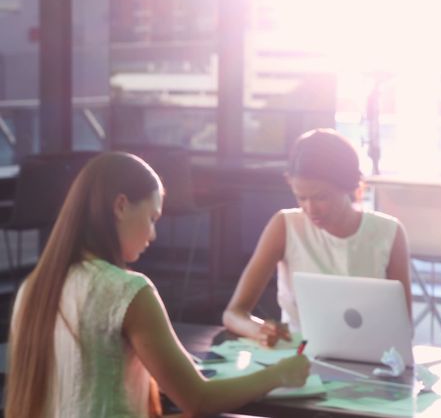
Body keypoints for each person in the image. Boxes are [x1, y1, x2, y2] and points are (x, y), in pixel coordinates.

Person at [6, 152, 310, 417]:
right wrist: (279, 374)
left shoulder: (34, 288)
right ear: (121, 206)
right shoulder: (126, 290)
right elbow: (199, 399)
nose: (153, 235)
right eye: (152, 218)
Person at [223, 128, 411, 347]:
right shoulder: (285, 225)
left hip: (370, 358)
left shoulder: (389, 232)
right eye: (301, 197)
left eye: (321, 197)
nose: (310, 208)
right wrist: (259, 330)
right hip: (297, 359)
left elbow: (403, 326)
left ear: (348, 186)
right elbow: (233, 313)